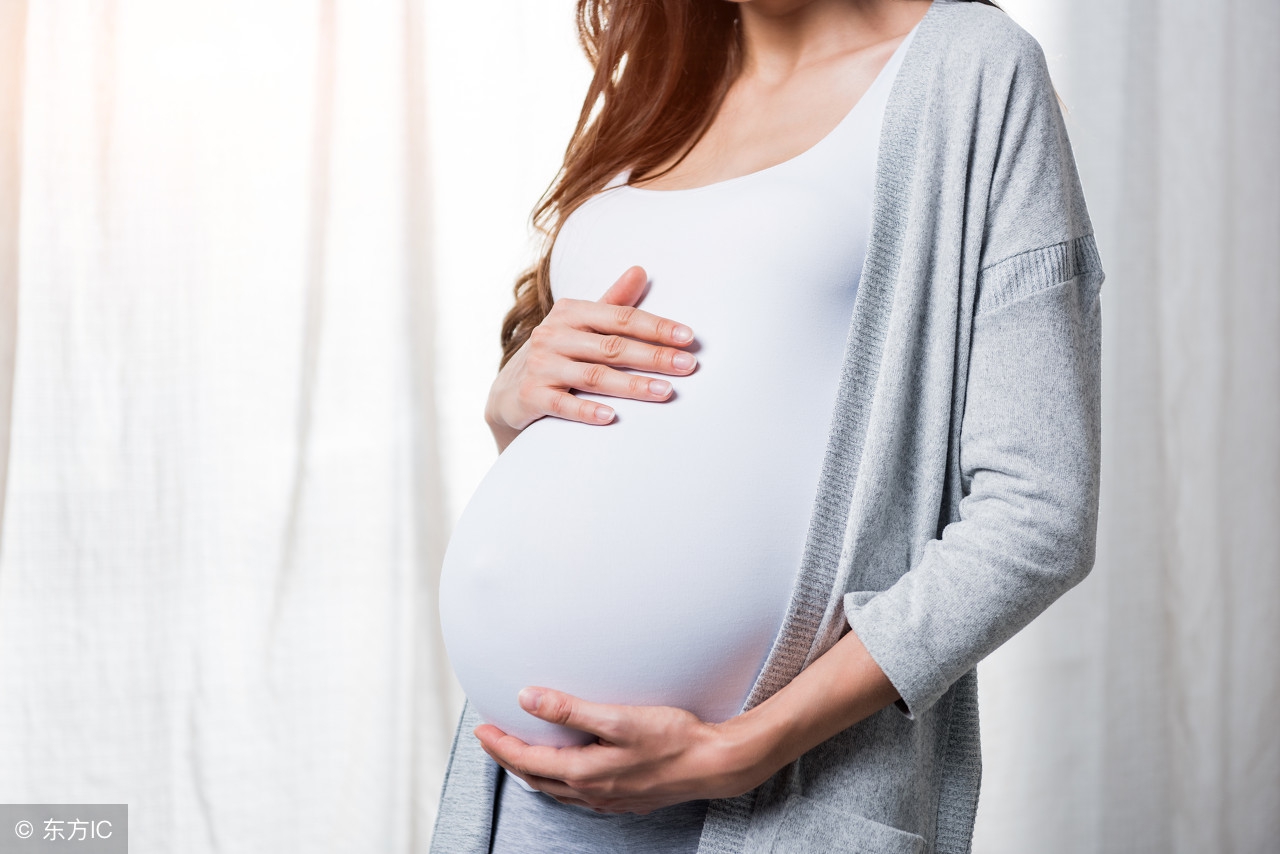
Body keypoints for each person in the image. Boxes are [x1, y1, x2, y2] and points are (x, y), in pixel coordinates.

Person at [432, 0, 1104, 851]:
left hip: (776, 794)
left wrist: (749, 748)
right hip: (524, 793)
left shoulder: (970, 70)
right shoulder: (667, 77)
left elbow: (1038, 514)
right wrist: (511, 403)